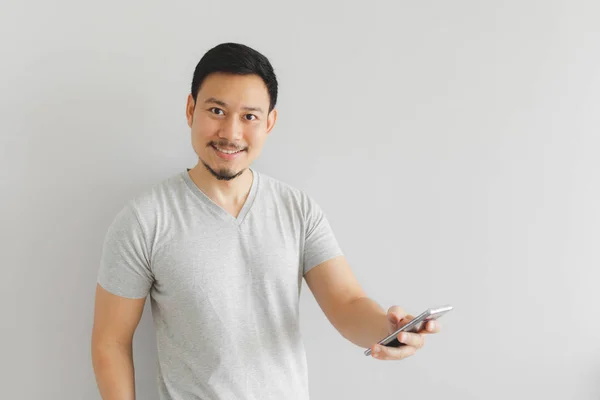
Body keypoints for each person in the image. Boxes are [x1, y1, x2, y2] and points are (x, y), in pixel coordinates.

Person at [91, 42, 441, 400]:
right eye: (216, 110)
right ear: (190, 109)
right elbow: (110, 342)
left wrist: (389, 329)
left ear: (269, 122)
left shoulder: (297, 209)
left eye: (249, 117)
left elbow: (347, 303)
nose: (231, 133)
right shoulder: (144, 219)